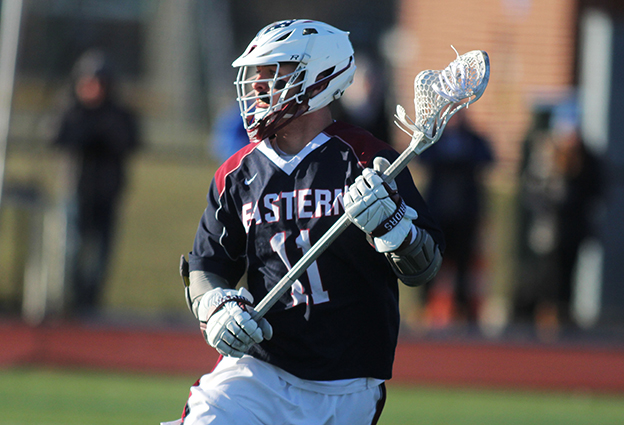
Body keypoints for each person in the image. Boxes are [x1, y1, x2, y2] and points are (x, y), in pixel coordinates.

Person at [164, 19, 444, 425]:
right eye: (256, 72)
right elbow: (208, 265)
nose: (258, 84)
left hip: (347, 381)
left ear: (319, 79)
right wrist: (217, 306)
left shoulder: (369, 161)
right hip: (260, 370)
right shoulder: (237, 173)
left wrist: (393, 226)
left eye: (274, 71)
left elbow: (425, 266)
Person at [53, 49, 140, 317]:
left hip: (107, 192)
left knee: (102, 252)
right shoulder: (71, 109)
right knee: (72, 247)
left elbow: (130, 142)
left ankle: (91, 301)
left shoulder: (119, 114)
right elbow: (57, 137)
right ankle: (71, 299)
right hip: (76, 190)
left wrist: (103, 131)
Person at [416, 112, 494, 325]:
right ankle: (425, 308)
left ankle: (462, 310)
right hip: (437, 213)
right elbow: (421, 157)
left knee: (464, 265)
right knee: (430, 260)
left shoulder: (473, 140)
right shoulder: (434, 140)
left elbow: (488, 158)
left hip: (465, 214)